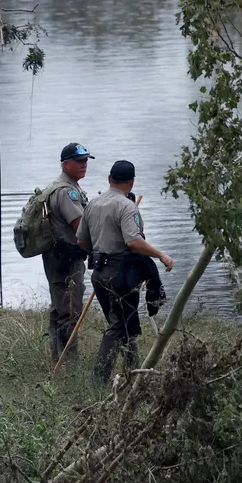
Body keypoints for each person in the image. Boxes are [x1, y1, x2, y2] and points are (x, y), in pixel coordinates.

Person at [76, 160, 172, 383]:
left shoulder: (93, 204)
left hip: (99, 274)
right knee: (118, 326)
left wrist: (100, 251)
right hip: (121, 274)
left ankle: (133, 374)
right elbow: (134, 242)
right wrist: (161, 255)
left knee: (125, 323)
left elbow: (81, 240)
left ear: (109, 179)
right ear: (132, 182)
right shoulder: (127, 206)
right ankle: (98, 381)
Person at [43, 142, 94, 363]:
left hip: (58, 257)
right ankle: (70, 365)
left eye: (85, 161)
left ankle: (57, 358)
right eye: (79, 161)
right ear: (66, 164)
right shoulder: (67, 192)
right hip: (66, 259)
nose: (84, 165)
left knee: (59, 308)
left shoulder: (63, 186)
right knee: (70, 311)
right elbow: (81, 226)